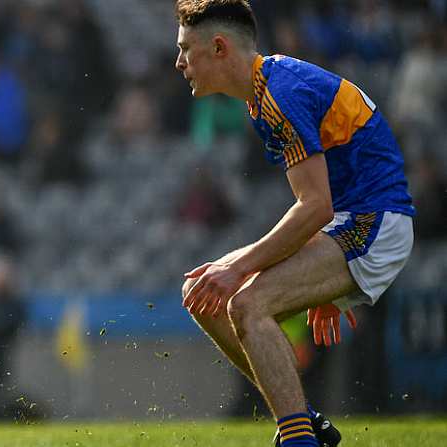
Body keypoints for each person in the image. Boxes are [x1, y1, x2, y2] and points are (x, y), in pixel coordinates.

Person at [174, 2, 414, 446]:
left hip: (375, 220)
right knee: (200, 293)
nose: (179, 62)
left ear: (219, 47)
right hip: (349, 219)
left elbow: (315, 205)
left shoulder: (280, 94)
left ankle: (299, 437)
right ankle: (305, 422)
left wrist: (241, 267)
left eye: (186, 49)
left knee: (245, 303)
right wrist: (321, 273)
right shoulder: (265, 92)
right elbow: (320, 199)